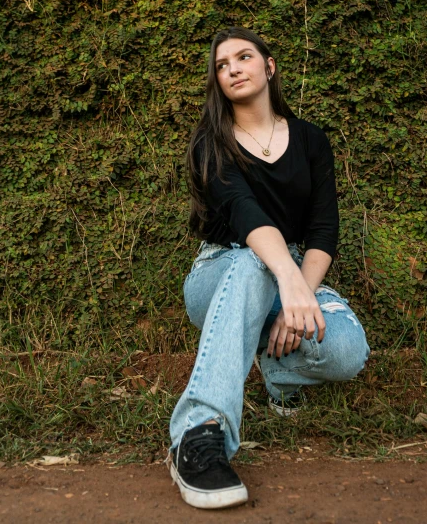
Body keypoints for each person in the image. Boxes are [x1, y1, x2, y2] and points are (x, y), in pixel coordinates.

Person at [165, 26, 370, 509]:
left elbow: (323, 230)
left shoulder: (311, 140)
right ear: (217, 80)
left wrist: (298, 293)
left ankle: (276, 376)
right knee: (255, 261)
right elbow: (244, 212)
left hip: (293, 273)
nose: (233, 68)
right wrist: (285, 276)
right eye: (222, 64)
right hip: (220, 272)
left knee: (345, 350)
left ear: (269, 66)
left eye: (243, 57)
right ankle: (196, 434)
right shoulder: (211, 141)